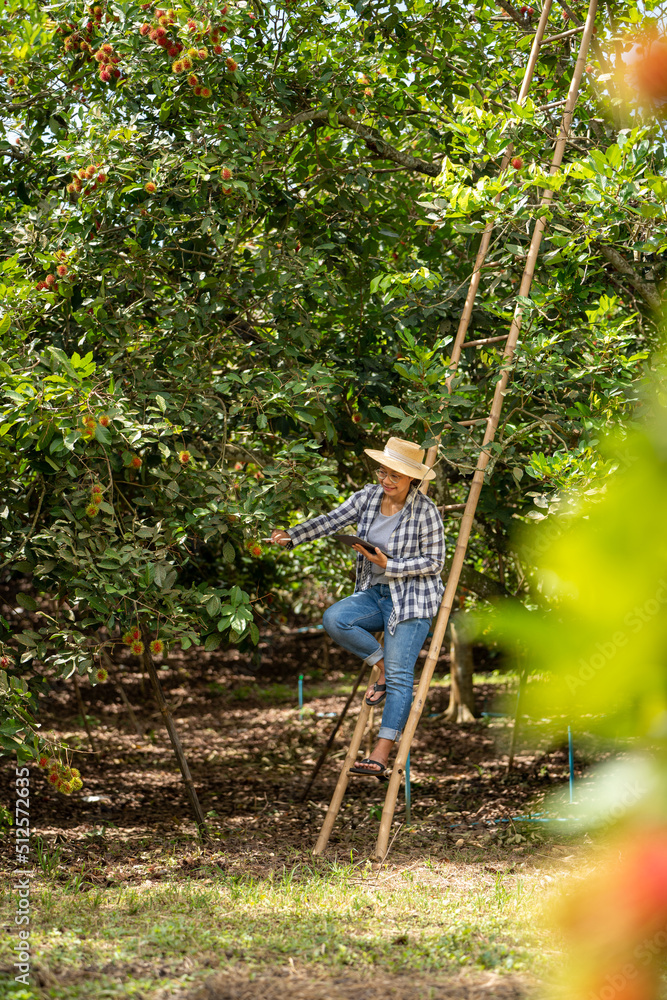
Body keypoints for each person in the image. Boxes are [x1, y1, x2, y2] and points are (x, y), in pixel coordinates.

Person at [269, 436, 446, 777]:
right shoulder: (367, 497)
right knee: (336, 618)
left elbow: (434, 563)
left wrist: (388, 562)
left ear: (413, 479)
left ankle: (380, 755)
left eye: (396, 475)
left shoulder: (426, 513)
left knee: (400, 678)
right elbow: (331, 520)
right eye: (384, 471)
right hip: (376, 594)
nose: (387, 480)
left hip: (412, 600)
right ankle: (380, 667)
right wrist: (293, 535)